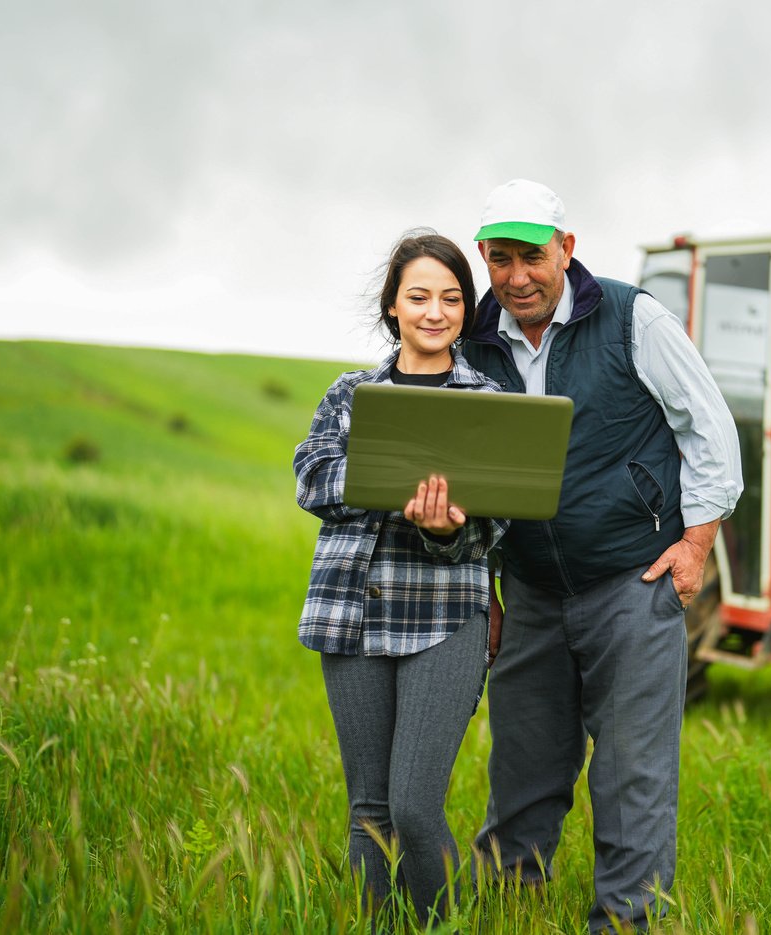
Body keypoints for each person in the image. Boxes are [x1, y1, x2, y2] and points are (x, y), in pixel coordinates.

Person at [463, 180, 742, 931]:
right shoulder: (472, 341)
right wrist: (486, 589)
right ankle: (505, 913)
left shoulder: (631, 318)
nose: (518, 275)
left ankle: (623, 921)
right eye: (500, 259)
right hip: (528, 589)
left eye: (533, 256)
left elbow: (709, 429)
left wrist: (695, 543)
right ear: (484, 260)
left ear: (567, 250)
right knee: (522, 767)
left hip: (632, 580)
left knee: (632, 774)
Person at [293, 230, 507, 926]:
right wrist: (395, 484)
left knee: (414, 806)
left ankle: (441, 925)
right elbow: (313, 479)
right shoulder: (350, 394)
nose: (434, 311)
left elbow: (495, 523)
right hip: (349, 614)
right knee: (369, 814)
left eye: (451, 298)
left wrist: (444, 528)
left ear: (466, 312)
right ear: (393, 307)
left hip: (446, 617)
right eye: (418, 296)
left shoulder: (489, 401)